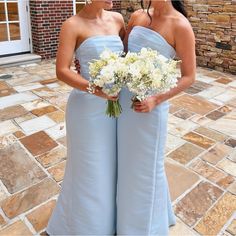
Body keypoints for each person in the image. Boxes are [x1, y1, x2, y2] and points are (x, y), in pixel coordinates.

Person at [117, 0, 196, 235]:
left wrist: (156, 99)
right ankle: (126, 220)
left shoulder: (180, 25)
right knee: (126, 162)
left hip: (151, 108)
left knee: (147, 167)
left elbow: (189, 76)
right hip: (124, 102)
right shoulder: (138, 16)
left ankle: (145, 228)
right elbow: (121, 54)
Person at [46, 0, 125, 235]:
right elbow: (62, 70)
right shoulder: (72, 25)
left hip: (116, 105)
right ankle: (84, 227)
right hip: (87, 108)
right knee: (89, 167)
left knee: (111, 164)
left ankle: (109, 221)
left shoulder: (118, 20)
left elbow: (128, 58)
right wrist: (96, 90)